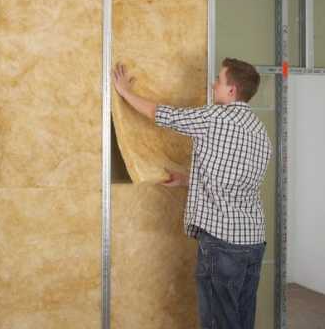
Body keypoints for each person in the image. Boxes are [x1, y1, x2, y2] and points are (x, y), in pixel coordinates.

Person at [113, 57, 272, 329]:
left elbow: (163, 115)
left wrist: (125, 92)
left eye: (219, 79)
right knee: (241, 320)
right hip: (253, 241)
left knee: (217, 322)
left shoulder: (216, 118)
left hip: (223, 242)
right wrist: (187, 180)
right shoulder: (260, 131)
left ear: (232, 90)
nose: (213, 84)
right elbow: (233, 181)